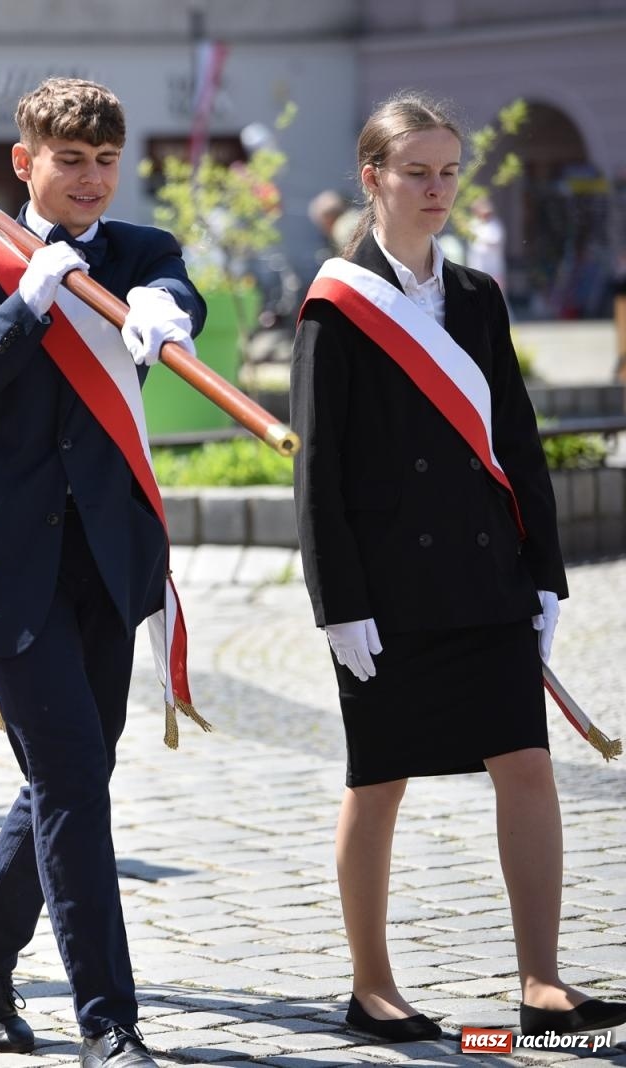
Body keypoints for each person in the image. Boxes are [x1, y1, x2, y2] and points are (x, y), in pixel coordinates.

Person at [292, 91, 626, 1043]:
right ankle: (372, 987)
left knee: (527, 764)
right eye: (416, 172)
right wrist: (337, 604)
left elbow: (516, 442)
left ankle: (543, 984)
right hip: (387, 592)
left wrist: (546, 572)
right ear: (373, 179)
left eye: (448, 172)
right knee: (379, 780)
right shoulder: (336, 302)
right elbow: (319, 466)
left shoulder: (476, 296)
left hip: (483, 574)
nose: (435, 189)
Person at [0, 78, 205, 1068]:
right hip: (12, 567)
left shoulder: (136, 254)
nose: (89, 178)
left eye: (104, 160)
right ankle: (107, 1022)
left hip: (109, 565)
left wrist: (167, 311)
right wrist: (24, 309)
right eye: (69, 159)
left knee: (67, 778)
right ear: (24, 161)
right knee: (77, 782)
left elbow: (179, 293)